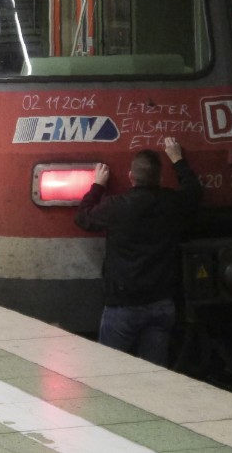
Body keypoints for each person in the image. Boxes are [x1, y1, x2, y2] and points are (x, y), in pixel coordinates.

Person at [75, 137, 202, 367]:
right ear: (160, 178)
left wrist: (97, 186)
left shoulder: (117, 206)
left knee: (109, 372)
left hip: (123, 306)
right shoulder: (171, 203)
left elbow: (83, 217)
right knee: (154, 374)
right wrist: (178, 159)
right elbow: (194, 192)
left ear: (130, 177)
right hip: (161, 304)